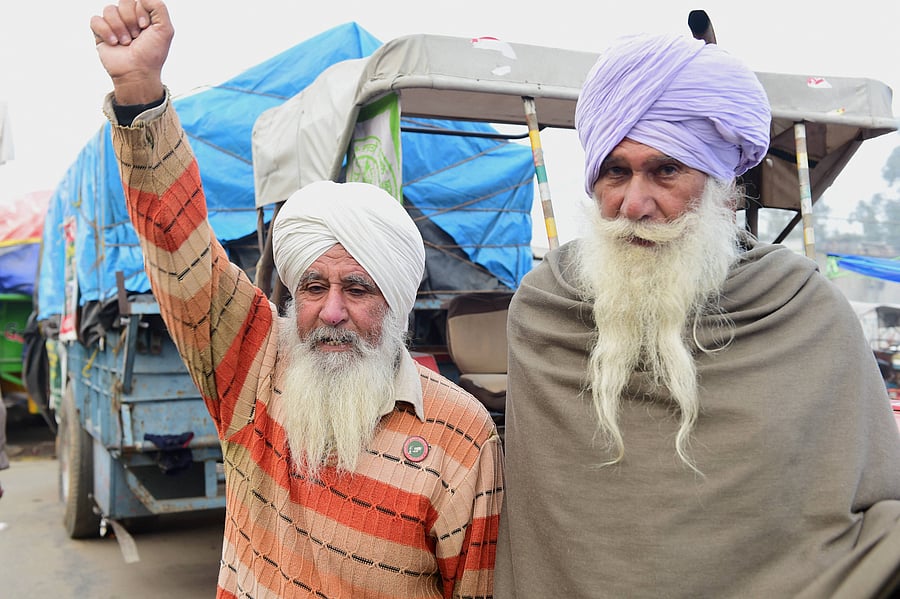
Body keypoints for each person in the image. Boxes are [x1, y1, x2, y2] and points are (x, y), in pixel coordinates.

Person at [90, 1, 504, 597]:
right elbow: (180, 248)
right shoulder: (254, 366)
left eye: (357, 288)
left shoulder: (460, 436)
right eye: (313, 286)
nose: (331, 312)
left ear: (395, 300)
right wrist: (138, 90)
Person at [494, 32, 900, 598]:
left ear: (720, 187)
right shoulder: (545, 310)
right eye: (616, 172)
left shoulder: (803, 310)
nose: (634, 204)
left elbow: (866, 503)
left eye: (666, 171)